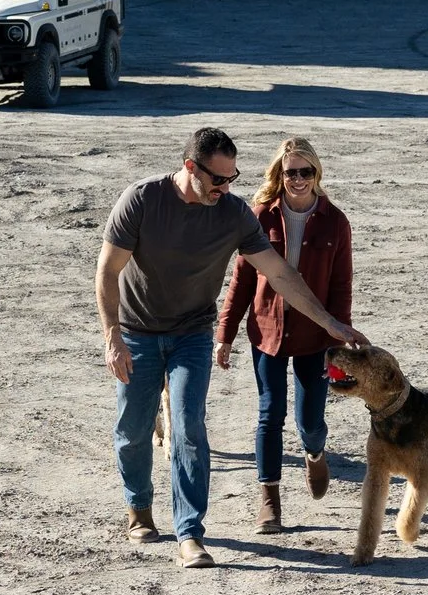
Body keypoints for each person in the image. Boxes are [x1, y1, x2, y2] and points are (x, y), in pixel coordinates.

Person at [97, 126, 365, 568]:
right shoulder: (142, 200)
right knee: (133, 431)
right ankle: (139, 509)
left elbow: (279, 275)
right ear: (190, 168)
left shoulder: (234, 214)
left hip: (192, 334)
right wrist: (113, 338)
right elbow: (107, 272)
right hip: (138, 331)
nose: (225, 187)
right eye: (218, 179)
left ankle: (189, 532)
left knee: (187, 426)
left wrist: (332, 322)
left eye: (232, 178)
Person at [216, 136, 352, 533]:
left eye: (305, 171)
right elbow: (241, 280)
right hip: (268, 332)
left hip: (315, 337)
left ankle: (314, 453)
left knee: (311, 419)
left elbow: (341, 286)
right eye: (289, 172)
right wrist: (224, 334)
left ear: (316, 173)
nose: (297, 179)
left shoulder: (335, 221)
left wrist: (338, 341)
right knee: (269, 413)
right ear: (279, 174)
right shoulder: (260, 216)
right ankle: (269, 501)